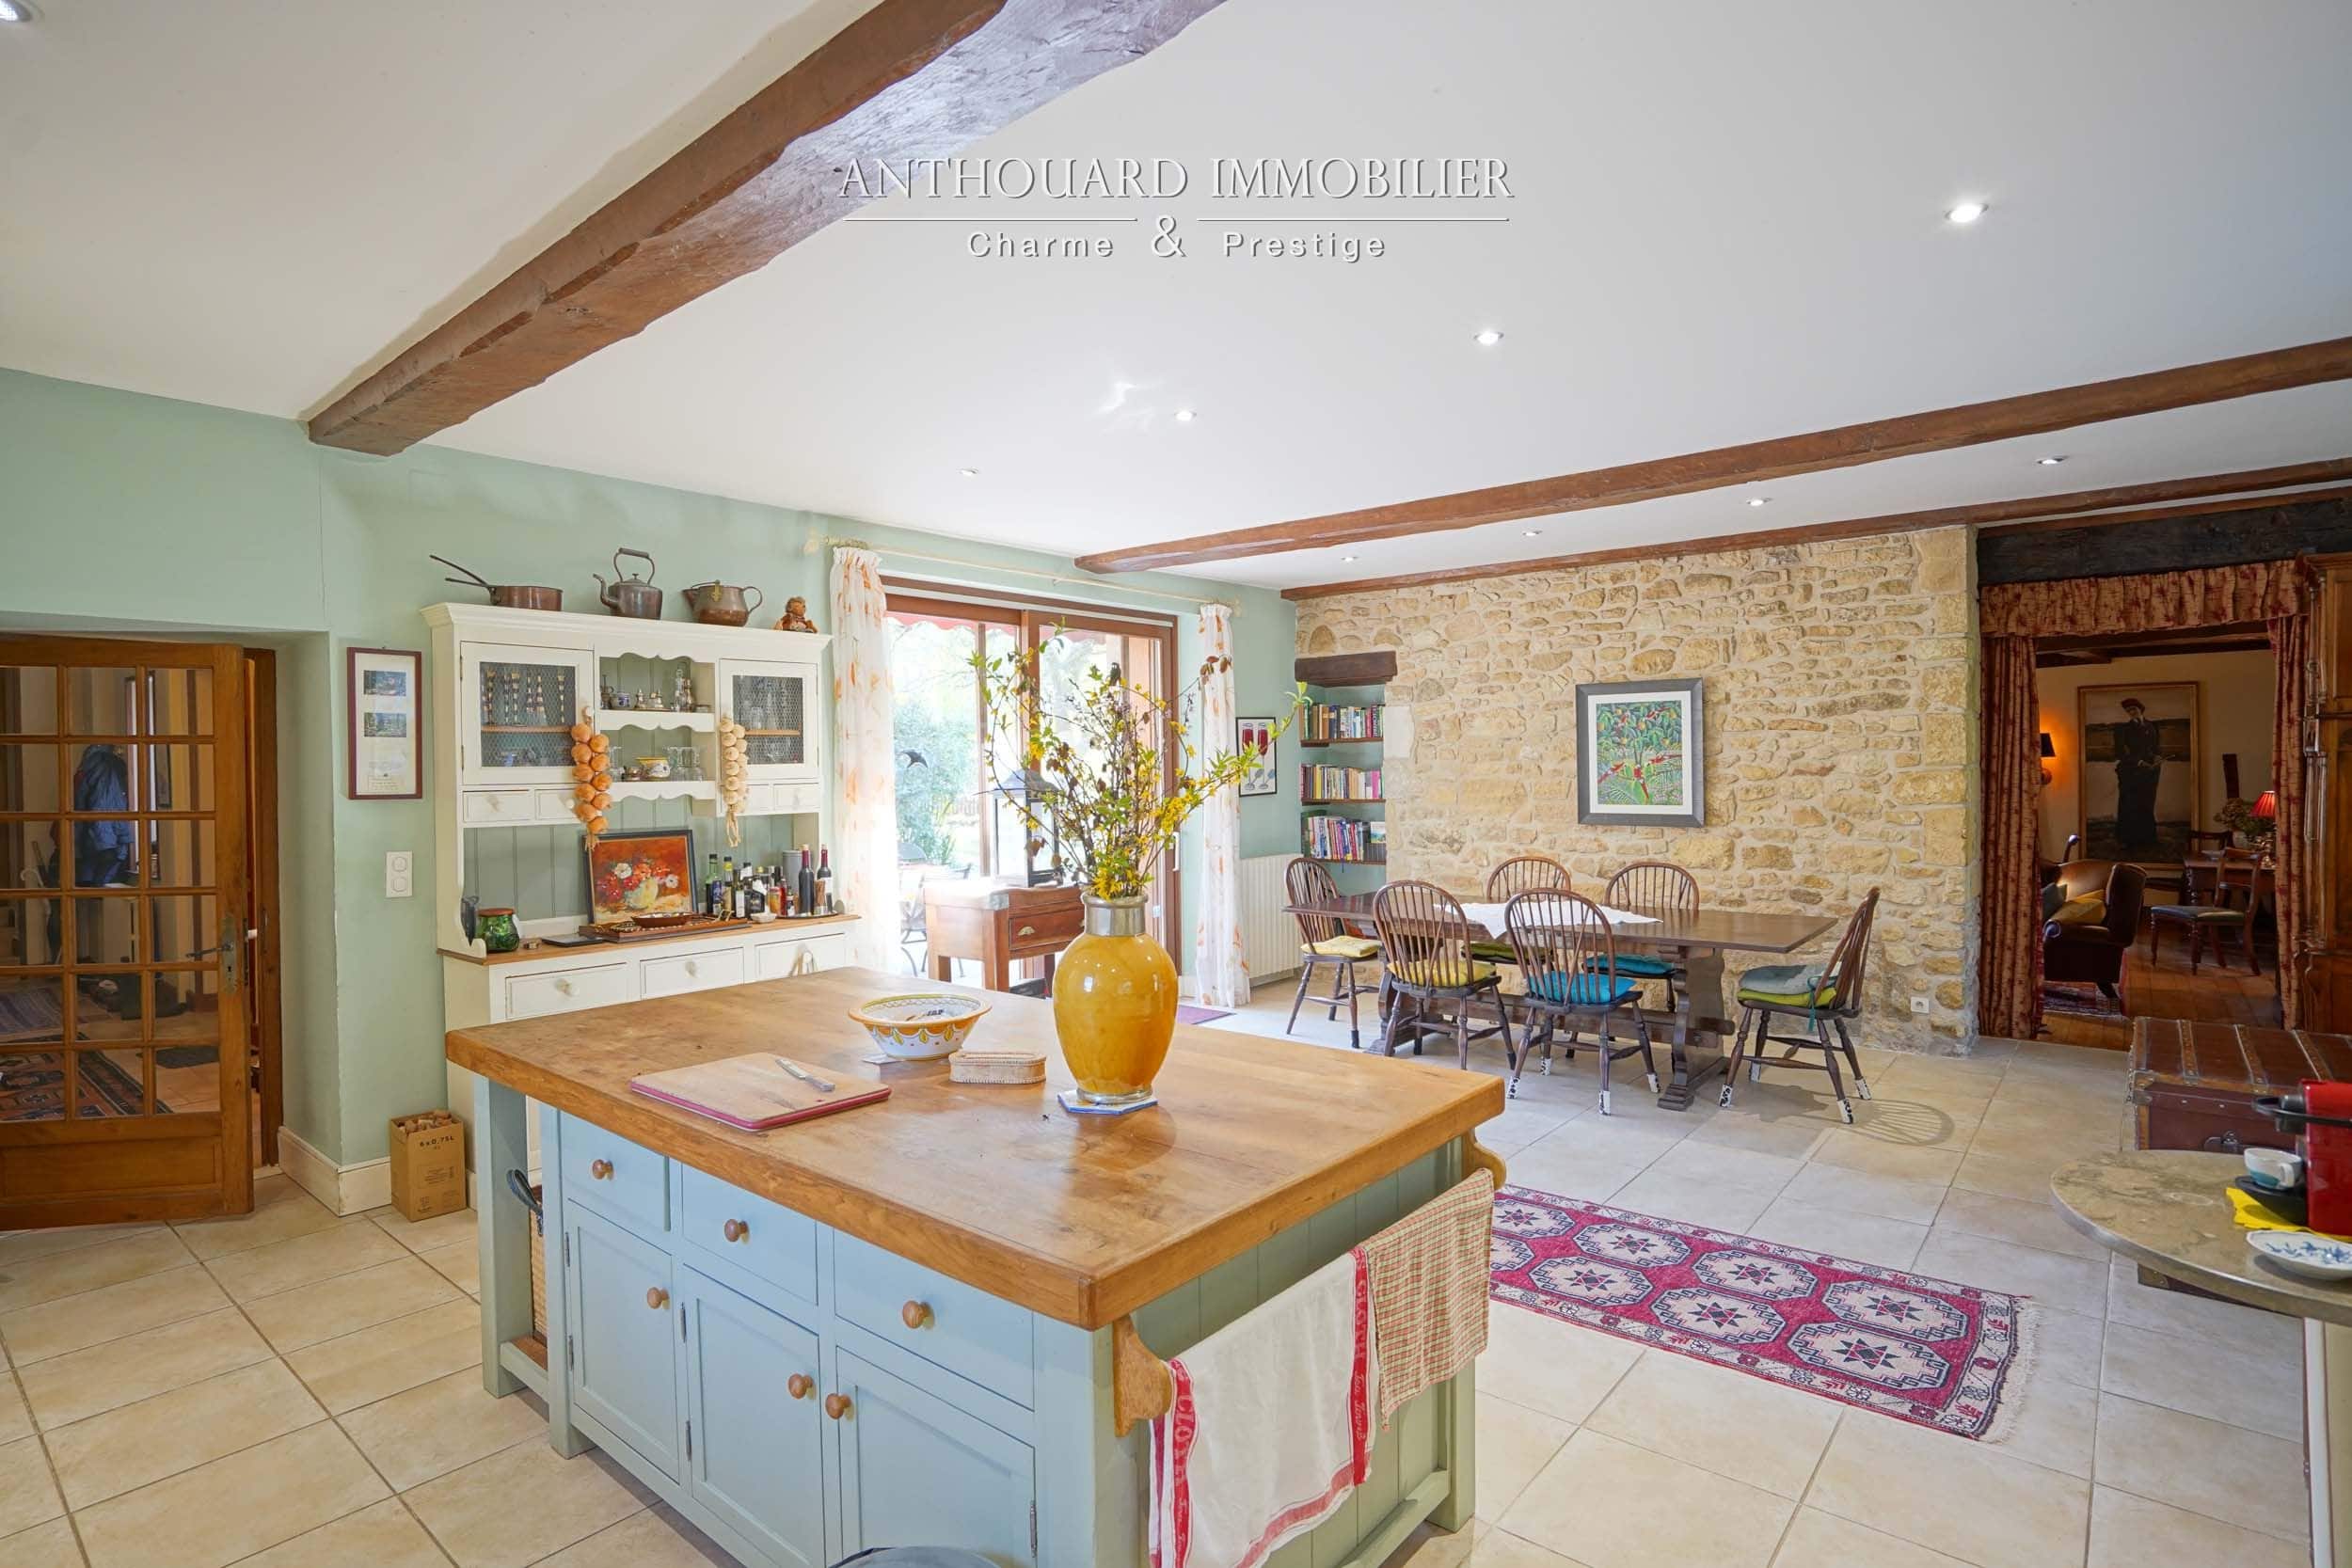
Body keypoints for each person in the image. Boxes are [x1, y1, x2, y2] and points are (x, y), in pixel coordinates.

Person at [2112, 697, 2164, 852]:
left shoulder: (2153, 726)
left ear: (2140, 709)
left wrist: (2158, 757)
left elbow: (2157, 747)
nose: (2131, 712)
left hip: (2151, 771)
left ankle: (2147, 839)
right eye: (2128, 711)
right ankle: (2127, 840)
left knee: (2147, 803)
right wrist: (2139, 762)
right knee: (2129, 804)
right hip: (2130, 771)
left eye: (2133, 709)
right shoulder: (2123, 729)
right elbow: (2120, 752)